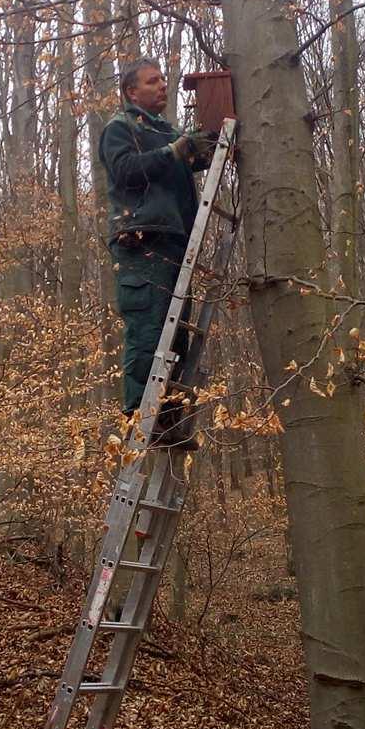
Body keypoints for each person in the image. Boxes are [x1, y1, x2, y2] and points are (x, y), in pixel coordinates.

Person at [98, 57, 216, 445]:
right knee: (149, 331)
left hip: (175, 241)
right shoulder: (120, 129)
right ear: (132, 92)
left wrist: (207, 143)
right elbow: (127, 170)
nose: (162, 85)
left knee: (176, 337)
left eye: (164, 79)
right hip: (142, 241)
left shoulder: (167, 130)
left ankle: (169, 421)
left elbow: (191, 155)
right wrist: (174, 152)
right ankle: (140, 419)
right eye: (152, 81)